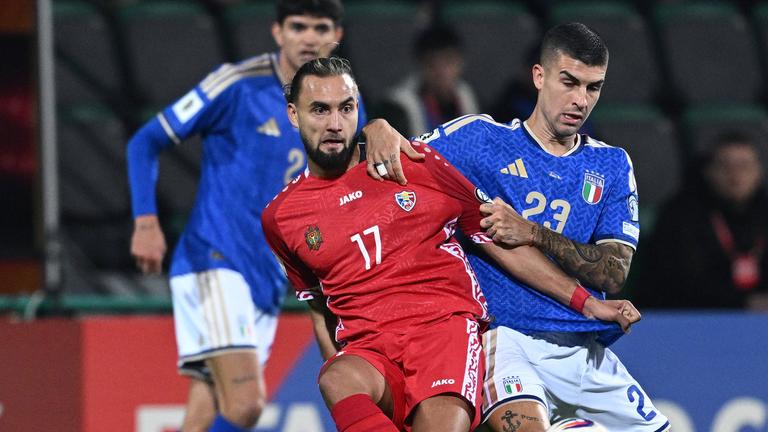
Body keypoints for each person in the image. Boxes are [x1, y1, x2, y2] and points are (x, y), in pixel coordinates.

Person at [262, 57, 638, 432]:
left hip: (443, 334)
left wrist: (586, 302)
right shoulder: (281, 218)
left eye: (346, 109)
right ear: (294, 115)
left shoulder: (412, 164)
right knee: (336, 376)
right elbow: (319, 305)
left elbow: (500, 242)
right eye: (320, 110)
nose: (334, 124)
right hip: (371, 351)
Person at [363, 22, 669, 431]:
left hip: (583, 349)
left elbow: (613, 274)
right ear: (539, 77)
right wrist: (375, 128)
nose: (580, 99)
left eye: (593, 88)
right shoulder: (478, 141)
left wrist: (534, 232)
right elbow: (393, 155)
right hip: (503, 338)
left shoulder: (611, 165)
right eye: (569, 82)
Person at [126, 1, 366, 431]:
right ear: (277, 32)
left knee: (205, 413)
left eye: (320, 27)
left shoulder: (345, 107)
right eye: (298, 26)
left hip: (268, 279)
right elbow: (145, 142)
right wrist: (146, 221)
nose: (309, 37)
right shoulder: (238, 85)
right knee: (246, 406)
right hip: (216, 260)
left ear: (338, 35)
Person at [638, 132, 768, 310]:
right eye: (725, 166)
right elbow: (675, 285)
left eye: (744, 166)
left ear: (759, 172)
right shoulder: (679, 217)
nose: (735, 176)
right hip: (694, 322)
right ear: (708, 171)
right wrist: (742, 303)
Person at [377, 24, 480, 137]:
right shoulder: (397, 107)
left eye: (449, 62)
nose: (442, 72)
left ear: (461, 63)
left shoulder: (468, 97)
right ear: (420, 65)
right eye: (433, 64)